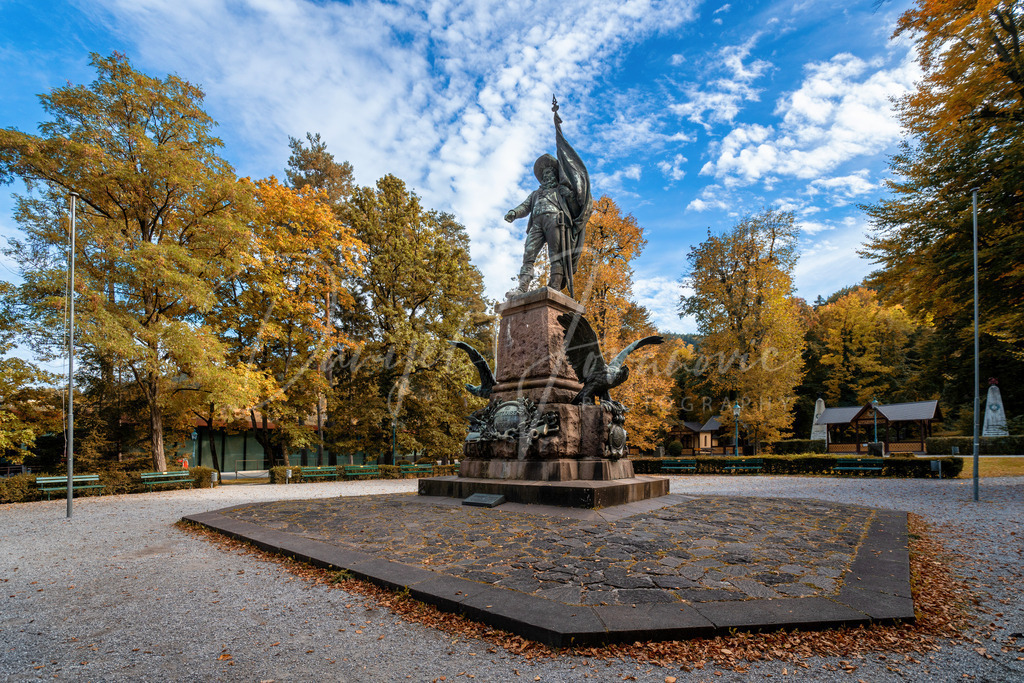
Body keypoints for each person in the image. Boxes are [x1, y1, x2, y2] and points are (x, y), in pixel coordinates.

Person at [504, 154, 576, 298]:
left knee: (556, 255)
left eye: (549, 173)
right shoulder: (535, 194)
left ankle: (555, 285)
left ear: (555, 175)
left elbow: (575, 209)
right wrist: (514, 212)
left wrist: (569, 196)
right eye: (544, 174)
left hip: (555, 220)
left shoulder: (559, 191)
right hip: (536, 224)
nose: (546, 176)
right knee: (528, 255)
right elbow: (525, 207)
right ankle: (522, 288)